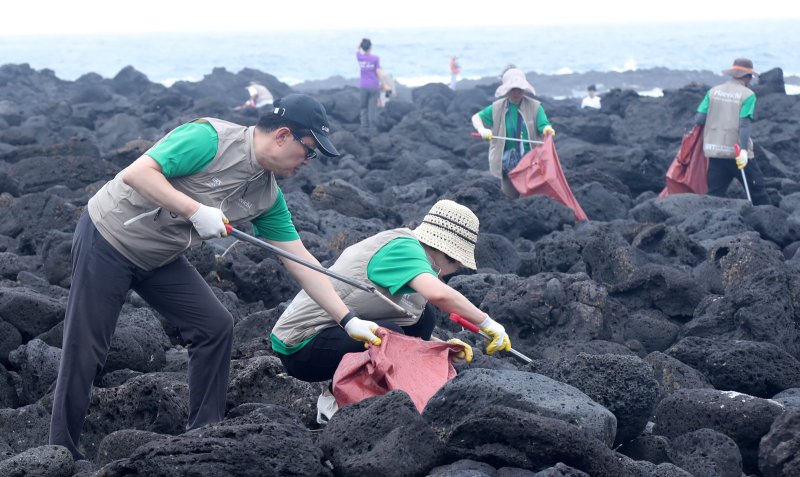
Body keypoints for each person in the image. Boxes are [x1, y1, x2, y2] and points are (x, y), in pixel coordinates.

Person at [49, 94, 362, 460]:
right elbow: (136, 173)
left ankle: (202, 439)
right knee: (86, 347)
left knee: (215, 325)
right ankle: (60, 452)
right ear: (282, 136)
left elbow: (298, 259)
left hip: (160, 256)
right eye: (309, 151)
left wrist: (348, 319)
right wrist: (195, 210)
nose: (309, 162)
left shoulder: (267, 195)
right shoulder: (209, 138)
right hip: (108, 238)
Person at [271, 199, 513, 423]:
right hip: (300, 346)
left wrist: (439, 349)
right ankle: (337, 401)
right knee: (390, 335)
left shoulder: (414, 255)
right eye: (458, 264)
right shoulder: (404, 250)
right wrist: (486, 323)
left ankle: (384, 399)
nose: (456, 270)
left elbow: (415, 329)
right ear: (450, 256)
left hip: (331, 338)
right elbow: (439, 295)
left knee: (422, 319)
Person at [694, 58, 770, 205]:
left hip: (715, 150)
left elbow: (699, 119)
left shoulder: (713, 92)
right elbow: (744, 125)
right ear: (747, 76)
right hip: (736, 153)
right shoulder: (747, 95)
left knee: (714, 195)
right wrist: (743, 151)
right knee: (757, 191)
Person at [471, 68, 556, 198]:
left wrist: (546, 129)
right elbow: (476, 117)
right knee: (508, 199)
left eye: (519, 89)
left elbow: (543, 125)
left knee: (528, 199)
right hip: (507, 166)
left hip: (531, 165)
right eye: (513, 89)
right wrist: (482, 130)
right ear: (506, 90)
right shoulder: (497, 107)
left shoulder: (535, 107)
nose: (516, 92)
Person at [356, 38, 385, 131]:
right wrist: (383, 83)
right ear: (370, 47)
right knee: (372, 108)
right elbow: (379, 72)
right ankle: (372, 128)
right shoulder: (375, 58)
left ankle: (364, 127)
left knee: (363, 107)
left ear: (363, 48)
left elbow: (356, 50)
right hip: (374, 86)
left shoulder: (360, 57)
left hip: (363, 86)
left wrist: (360, 44)